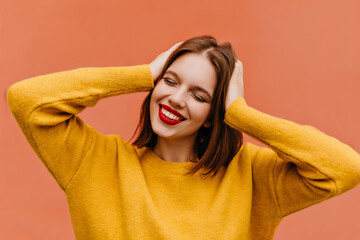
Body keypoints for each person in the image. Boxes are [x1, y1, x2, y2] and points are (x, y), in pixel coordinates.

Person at [7, 35, 360, 240]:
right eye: (170, 81)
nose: (176, 98)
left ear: (213, 115)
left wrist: (239, 113)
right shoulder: (93, 161)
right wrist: (142, 74)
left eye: (199, 95)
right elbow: (27, 100)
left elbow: (344, 168)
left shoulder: (251, 176)